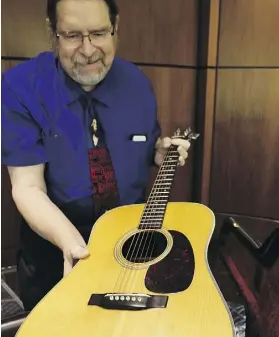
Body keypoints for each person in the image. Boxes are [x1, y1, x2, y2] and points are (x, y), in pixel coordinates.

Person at [1, 0, 190, 311]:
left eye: (99, 33)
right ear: (53, 33)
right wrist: (74, 247)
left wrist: (158, 153)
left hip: (132, 248)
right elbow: (27, 187)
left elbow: (139, 147)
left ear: (116, 27)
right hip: (57, 247)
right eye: (73, 35)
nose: (88, 50)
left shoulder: (138, 85)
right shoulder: (20, 87)